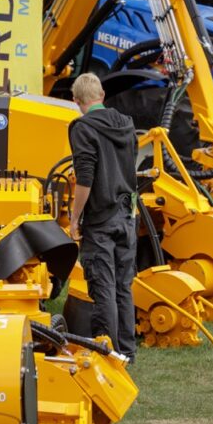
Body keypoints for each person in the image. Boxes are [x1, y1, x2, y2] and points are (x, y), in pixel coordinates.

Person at [68, 73, 139, 361]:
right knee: (123, 285)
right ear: (102, 95)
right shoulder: (126, 124)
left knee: (103, 286)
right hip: (126, 215)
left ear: (76, 101)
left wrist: (74, 219)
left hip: (100, 219)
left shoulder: (82, 128)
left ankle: (107, 350)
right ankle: (127, 350)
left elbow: (85, 178)